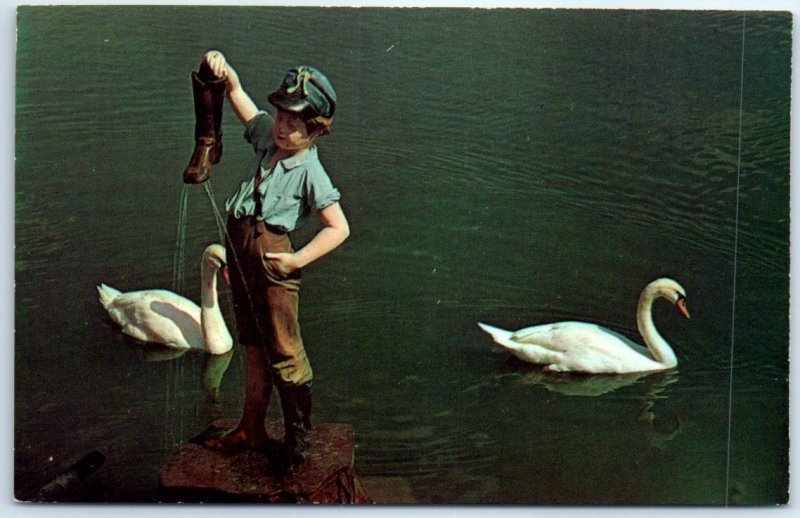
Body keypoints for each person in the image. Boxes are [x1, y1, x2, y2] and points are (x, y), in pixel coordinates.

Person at [196, 50, 350, 472]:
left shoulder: (310, 172)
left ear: (315, 129)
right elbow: (242, 101)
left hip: (272, 263)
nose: (282, 128)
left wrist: (296, 258)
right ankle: (251, 427)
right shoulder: (268, 140)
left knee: (284, 349)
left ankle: (298, 438)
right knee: (250, 344)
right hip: (242, 257)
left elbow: (338, 227)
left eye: (293, 124)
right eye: (280, 118)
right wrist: (225, 71)